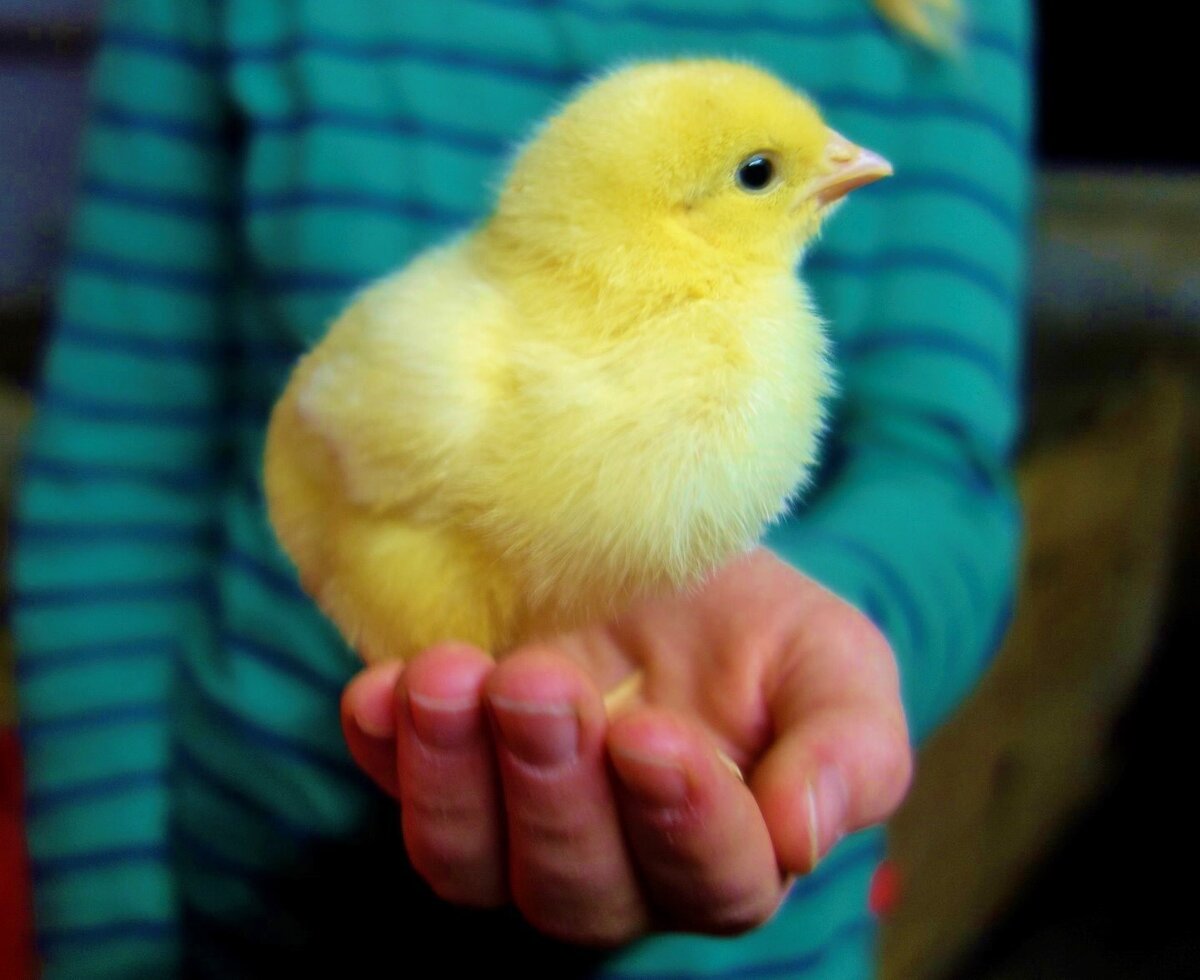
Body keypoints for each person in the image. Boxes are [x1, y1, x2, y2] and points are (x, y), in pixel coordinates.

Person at [12, 0, 1030, 976]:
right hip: (259, 885)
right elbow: (121, 477)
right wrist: (117, 941)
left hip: (753, 943)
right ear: (673, 223)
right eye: (765, 171)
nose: (846, 160)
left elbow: (939, 465)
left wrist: (810, 645)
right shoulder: (455, 357)